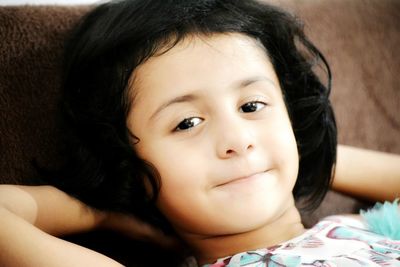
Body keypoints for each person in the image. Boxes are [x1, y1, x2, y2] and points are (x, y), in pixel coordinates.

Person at [0, 0, 399, 266]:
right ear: (123, 159)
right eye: (187, 123)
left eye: (251, 106)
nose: (237, 139)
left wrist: (308, 150)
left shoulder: (370, 228)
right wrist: (110, 207)